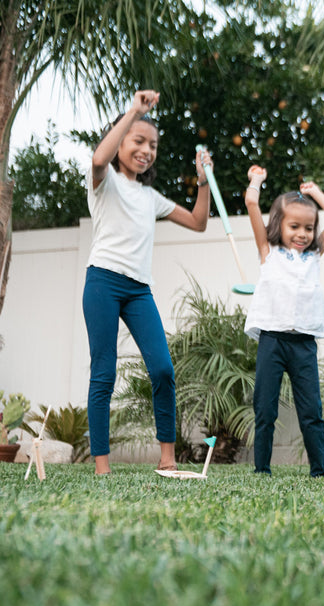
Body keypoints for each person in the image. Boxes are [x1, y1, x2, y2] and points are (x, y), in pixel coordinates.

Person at [83, 89, 214, 476]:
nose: (146, 150)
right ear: (120, 141)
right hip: (103, 281)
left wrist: (203, 180)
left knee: (162, 369)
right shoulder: (104, 181)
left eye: (152, 145)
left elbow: (198, 222)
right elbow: (98, 159)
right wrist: (134, 112)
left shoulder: (149, 196)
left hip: (138, 289)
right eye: (138, 141)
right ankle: (102, 465)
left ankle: (167, 458)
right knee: (103, 372)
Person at [244, 165, 324, 477]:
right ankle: (262, 468)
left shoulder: (314, 255)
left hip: (304, 343)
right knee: (265, 408)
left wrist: (315, 193)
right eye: (295, 226)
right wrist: (257, 180)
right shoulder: (268, 251)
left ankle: (318, 469)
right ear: (279, 225)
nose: (302, 234)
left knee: (311, 410)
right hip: (272, 341)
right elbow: (251, 203)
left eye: (309, 228)